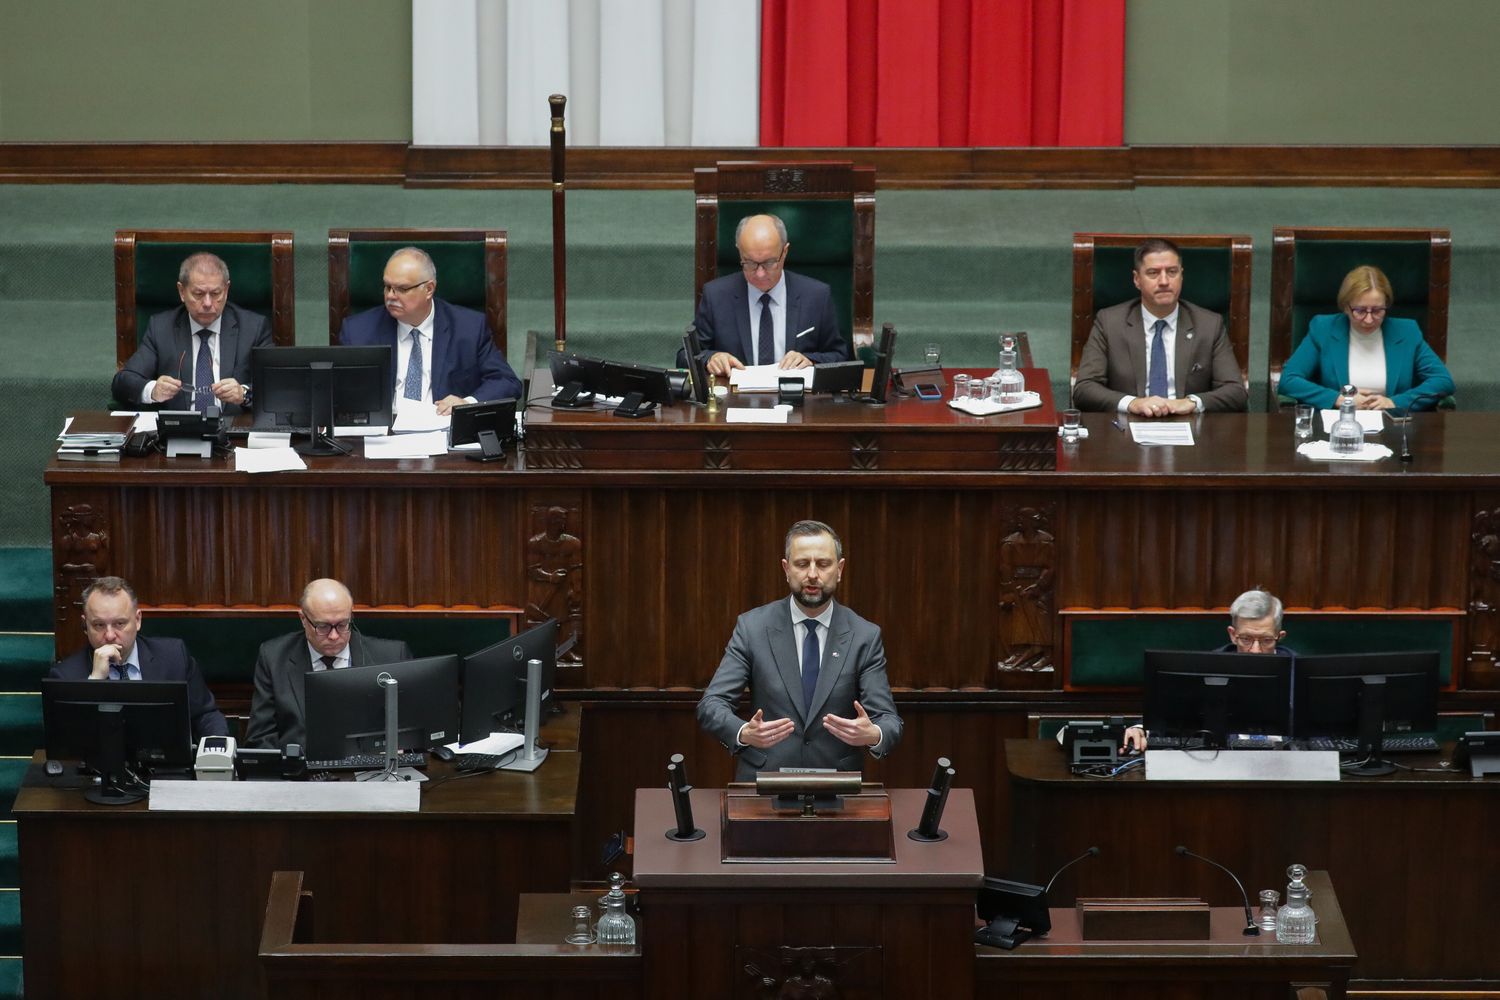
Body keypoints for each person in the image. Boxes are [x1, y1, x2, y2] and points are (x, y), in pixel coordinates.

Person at [697, 520, 901, 779]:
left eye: (823, 564)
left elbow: (889, 720)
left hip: (837, 786)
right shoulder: (753, 628)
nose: (812, 574)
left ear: (840, 569)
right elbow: (712, 704)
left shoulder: (864, 636)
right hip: (764, 783)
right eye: (802, 564)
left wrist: (874, 734)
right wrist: (743, 732)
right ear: (786, 569)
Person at [1072, 237, 1248, 416]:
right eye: (1153, 273)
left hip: (1189, 424)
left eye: (1172, 272)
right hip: (1128, 424)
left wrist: (1191, 402)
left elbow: (1236, 392)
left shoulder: (1209, 325)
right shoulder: (1110, 322)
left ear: (1181, 275)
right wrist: (1133, 403)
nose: (1164, 281)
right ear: (1137, 279)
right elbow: (1084, 389)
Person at [338, 247, 522, 415]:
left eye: (402, 289)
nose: (391, 296)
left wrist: (467, 403)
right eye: (387, 287)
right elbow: (339, 392)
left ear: (429, 289)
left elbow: (506, 382)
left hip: (444, 429)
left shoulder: (469, 328)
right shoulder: (357, 332)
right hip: (384, 433)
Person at [49, 576, 228, 740]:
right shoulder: (65, 677)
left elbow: (206, 716)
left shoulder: (173, 657)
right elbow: (68, 741)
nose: (110, 635)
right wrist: (94, 683)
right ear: (85, 626)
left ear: (138, 620)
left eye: (119, 623)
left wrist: (216, 748)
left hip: (167, 763)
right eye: (99, 625)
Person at [245, 578, 413, 751]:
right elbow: (260, 738)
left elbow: (412, 734)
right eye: (323, 626)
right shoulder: (274, 658)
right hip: (300, 766)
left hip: (371, 765)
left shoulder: (392, 657)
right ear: (303, 619)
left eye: (342, 625)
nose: (334, 636)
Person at [1119, 588, 1294, 750]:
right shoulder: (1209, 666)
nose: (1255, 650)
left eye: (1266, 640)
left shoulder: (1296, 671)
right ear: (1233, 635)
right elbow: (1172, 709)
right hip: (1224, 758)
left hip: (1287, 759)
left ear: (1279, 636)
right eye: (1246, 639)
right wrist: (1141, 729)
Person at [688, 214, 849, 378]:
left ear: (784, 252)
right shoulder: (716, 295)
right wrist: (711, 359)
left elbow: (840, 356)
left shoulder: (816, 296)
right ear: (739, 252)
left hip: (794, 392)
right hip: (736, 392)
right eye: (750, 262)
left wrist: (810, 361)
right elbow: (686, 356)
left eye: (769, 262)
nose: (760, 274)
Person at [111, 252, 272, 415]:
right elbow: (123, 382)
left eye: (216, 293)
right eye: (198, 294)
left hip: (234, 427)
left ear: (226, 290)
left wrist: (244, 394)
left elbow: (276, 385)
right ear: (182, 291)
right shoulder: (161, 328)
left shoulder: (253, 328)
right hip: (180, 428)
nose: (207, 303)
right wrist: (152, 390)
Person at [1278, 264, 1454, 411]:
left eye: (1377, 310)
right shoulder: (1324, 329)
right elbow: (1289, 380)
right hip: (1338, 426)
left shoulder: (1406, 332)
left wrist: (1394, 402)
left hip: (1392, 427)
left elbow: (1443, 381)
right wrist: (1339, 399)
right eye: (1360, 311)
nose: (1369, 319)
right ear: (1346, 307)